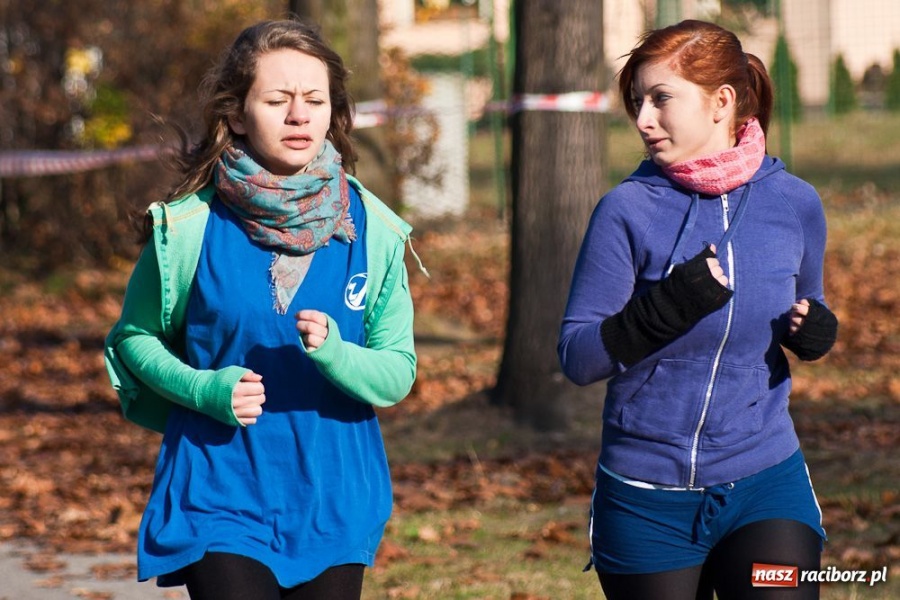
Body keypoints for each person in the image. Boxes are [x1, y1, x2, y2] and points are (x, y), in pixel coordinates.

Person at [104, 19, 418, 600]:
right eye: (278, 100)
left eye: (315, 100)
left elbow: (398, 372)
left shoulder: (374, 231)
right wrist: (203, 390)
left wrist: (338, 355)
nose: (299, 115)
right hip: (218, 491)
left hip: (333, 499)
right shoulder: (188, 227)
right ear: (239, 115)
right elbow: (132, 340)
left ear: (332, 113)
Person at [558, 20, 838, 600]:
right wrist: (663, 309)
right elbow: (577, 356)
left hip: (766, 482)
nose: (642, 119)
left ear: (722, 102)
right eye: (638, 102)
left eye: (661, 99)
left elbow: (811, 302)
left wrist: (816, 331)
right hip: (646, 497)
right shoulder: (626, 211)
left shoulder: (795, 202)